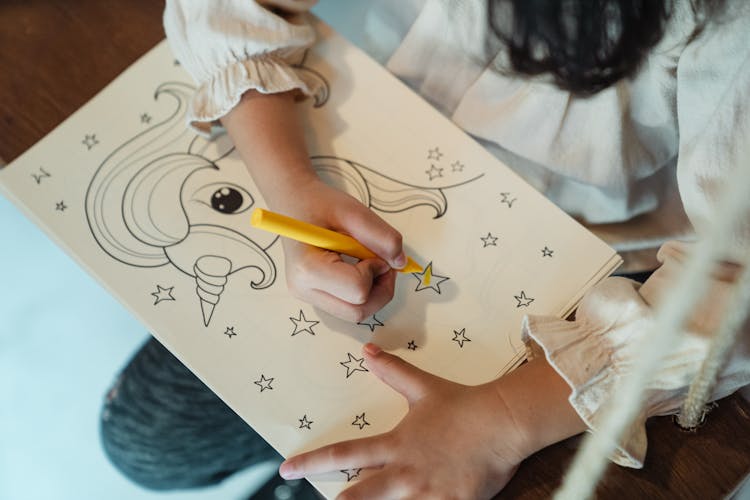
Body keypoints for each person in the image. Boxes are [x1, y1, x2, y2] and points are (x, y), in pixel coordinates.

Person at [100, 0, 750, 497]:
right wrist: (292, 187)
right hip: (349, 159)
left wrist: (494, 422)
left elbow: (734, 286)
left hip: (575, 295)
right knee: (142, 439)